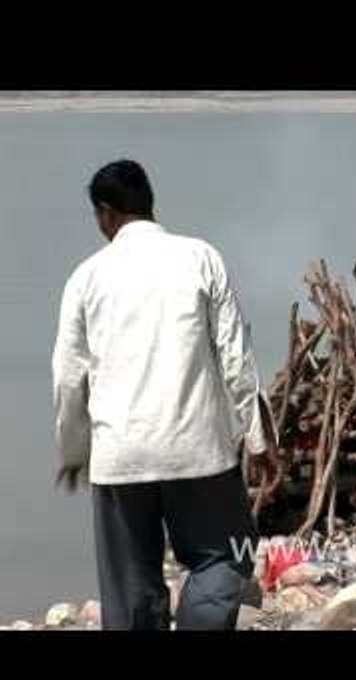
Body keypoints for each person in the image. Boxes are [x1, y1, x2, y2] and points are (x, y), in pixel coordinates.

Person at [52, 159, 277, 630]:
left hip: (119, 456)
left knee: (130, 586)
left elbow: (69, 376)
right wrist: (258, 437)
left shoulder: (86, 277)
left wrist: (74, 451)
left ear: (105, 214)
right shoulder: (201, 257)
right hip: (198, 452)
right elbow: (235, 353)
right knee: (222, 560)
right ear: (150, 204)